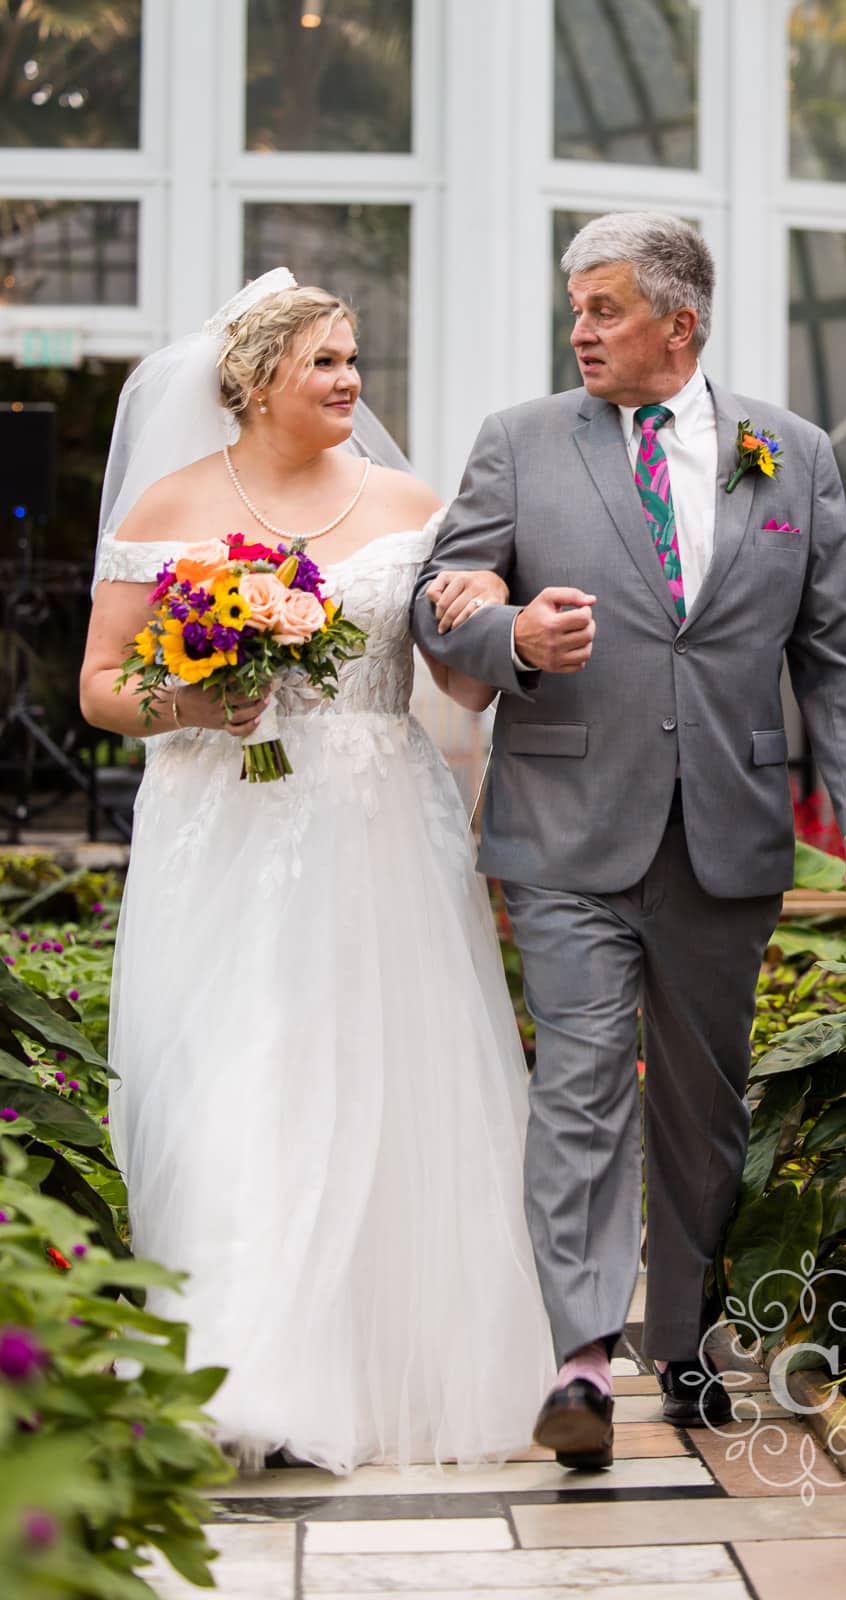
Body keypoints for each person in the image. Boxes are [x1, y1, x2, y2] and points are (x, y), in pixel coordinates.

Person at [412, 212, 846, 1470]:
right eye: (573, 306)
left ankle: (680, 1345)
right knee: (575, 1083)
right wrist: (511, 638)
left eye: (605, 307)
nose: (578, 328)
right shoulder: (517, 444)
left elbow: (832, 645)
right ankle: (577, 1360)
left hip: (726, 835)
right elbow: (440, 599)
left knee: (701, 1103)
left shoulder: (787, 453)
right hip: (564, 825)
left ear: (679, 323)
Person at [79, 272, 555, 1472]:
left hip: (378, 825)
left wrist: (505, 633)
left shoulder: (409, 500)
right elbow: (98, 687)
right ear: (251, 382)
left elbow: (454, 675)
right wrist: (198, 692)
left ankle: (376, 1361)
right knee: (237, 1083)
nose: (352, 382)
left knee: (385, 1077)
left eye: (354, 361)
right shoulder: (174, 499)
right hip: (220, 829)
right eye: (326, 364)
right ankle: (240, 1372)